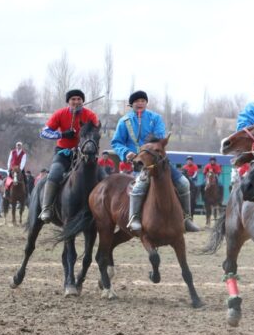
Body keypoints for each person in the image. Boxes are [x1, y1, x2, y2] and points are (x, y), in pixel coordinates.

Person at [111, 90, 199, 232]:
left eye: (142, 101)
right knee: (139, 187)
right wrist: (126, 152)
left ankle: (187, 218)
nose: (140, 103)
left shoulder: (155, 118)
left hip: (159, 162)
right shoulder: (124, 121)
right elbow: (116, 142)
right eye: (136, 101)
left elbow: (159, 136)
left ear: (146, 103)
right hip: (140, 164)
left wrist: (149, 147)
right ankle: (134, 218)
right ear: (131, 104)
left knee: (184, 183)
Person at [38, 89, 101, 222]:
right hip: (63, 152)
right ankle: (47, 208)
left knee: (102, 175)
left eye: (79, 99)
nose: (76, 102)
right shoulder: (60, 114)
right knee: (55, 173)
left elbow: (96, 132)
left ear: (83, 101)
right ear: (68, 102)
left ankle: (104, 210)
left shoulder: (90, 115)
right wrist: (62, 134)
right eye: (73, 99)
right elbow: (44, 133)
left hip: (85, 154)